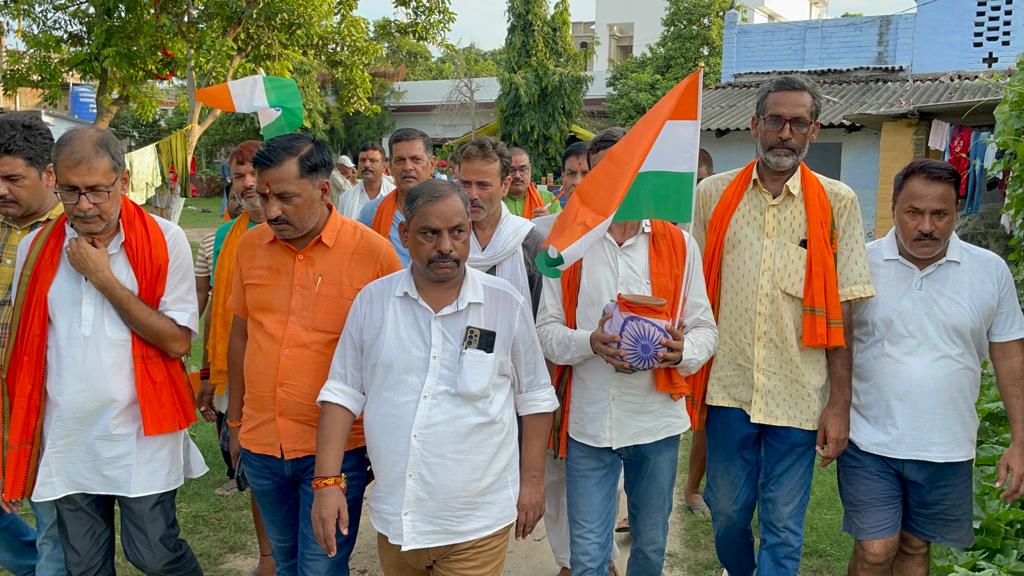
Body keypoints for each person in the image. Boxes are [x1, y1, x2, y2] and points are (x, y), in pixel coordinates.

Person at [311, 179, 558, 575]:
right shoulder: (374, 302)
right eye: (430, 233)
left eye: (458, 232)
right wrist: (326, 482)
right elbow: (342, 393)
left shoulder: (503, 303)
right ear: (405, 234)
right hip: (397, 520)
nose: (446, 246)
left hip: (476, 523)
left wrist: (532, 483)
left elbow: (535, 397)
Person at [691, 74, 874, 576]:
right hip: (729, 389)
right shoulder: (713, 195)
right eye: (775, 120)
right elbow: (693, 289)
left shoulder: (837, 202)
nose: (785, 133)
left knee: (784, 525)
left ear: (814, 131)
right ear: (755, 125)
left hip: (798, 394)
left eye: (798, 123)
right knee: (727, 513)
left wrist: (839, 405)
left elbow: (844, 310)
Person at [3, 127, 204, 575]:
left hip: (141, 433)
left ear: (124, 180)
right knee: (85, 567)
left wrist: (103, 278)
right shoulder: (36, 247)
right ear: (52, 178)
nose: (84, 205)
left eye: (97, 190)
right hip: (67, 435)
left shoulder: (166, 239)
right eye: (70, 191)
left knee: (154, 555)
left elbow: (177, 341)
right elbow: (26, 350)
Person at [537, 123, 719, 575]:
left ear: (643, 172)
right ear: (590, 177)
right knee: (588, 556)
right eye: (603, 172)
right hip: (589, 425)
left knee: (650, 548)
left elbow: (705, 330)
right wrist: (590, 342)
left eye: (626, 168)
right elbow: (546, 332)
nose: (615, 180)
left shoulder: (678, 244)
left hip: (654, 422)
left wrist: (681, 352)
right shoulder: (567, 243)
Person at [226, 133, 402, 576]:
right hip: (263, 443)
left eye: (285, 197)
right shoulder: (250, 247)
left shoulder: (374, 255)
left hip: (338, 451)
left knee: (321, 568)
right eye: (264, 196)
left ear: (324, 190)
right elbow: (241, 336)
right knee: (285, 563)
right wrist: (235, 423)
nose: (271, 211)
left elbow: (396, 355)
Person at [841, 159, 1024, 576]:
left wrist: (1020, 440)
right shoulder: (860, 265)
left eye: (940, 214)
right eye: (914, 212)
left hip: (948, 444)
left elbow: (1010, 356)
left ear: (956, 210)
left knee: (915, 546)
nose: (926, 226)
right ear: (893, 207)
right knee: (875, 548)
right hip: (868, 440)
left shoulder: (989, 271)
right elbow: (837, 346)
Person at [196, 140, 276, 575]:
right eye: (239, 175)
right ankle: (267, 558)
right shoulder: (222, 239)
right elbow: (216, 313)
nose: (247, 184)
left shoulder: (297, 229)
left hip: (289, 374)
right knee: (257, 473)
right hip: (237, 373)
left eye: (254, 173)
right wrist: (209, 372)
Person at [0, 112, 66, 576]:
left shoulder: (74, 233)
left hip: (44, 404)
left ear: (48, 175)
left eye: (13, 179)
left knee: (53, 526)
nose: (1, 190)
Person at [457, 136, 545, 316]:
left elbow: (542, 317)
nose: (472, 195)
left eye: (483, 185)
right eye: (466, 184)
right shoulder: (447, 239)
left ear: (505, 185)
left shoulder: (530, 243)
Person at [682, 147, 716, 517]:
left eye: (700, 181)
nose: (694, 190)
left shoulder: (718, 210)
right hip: (669, 327)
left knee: (704, 415)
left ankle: (693, 488)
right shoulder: (663, 220)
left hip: (707, 321)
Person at [359, 128, 437, 266]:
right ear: (390, 167)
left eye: (416, 159)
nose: (407, 167)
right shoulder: (372, 213)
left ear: (432, 165)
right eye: (399, 160)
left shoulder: (450, 212)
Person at [533, 141, 590, 237]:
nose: (577, 182)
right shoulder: (540, 230)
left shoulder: (613, 230)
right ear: (562, 177)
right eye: (571, 173)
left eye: (586, 174)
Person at [336, 142, 394, 220]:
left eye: (373, 161)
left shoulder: (395, 195)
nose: (366, 165)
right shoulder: (347, 197)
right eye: (362, 160)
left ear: (384, 166)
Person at [505, 147, 562, 219]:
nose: (517, 175)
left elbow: (563, 225)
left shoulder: (548, 198)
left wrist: (548, 220)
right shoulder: (496, 200)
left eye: (522, 169)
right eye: (511, 170)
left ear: (530, 170)